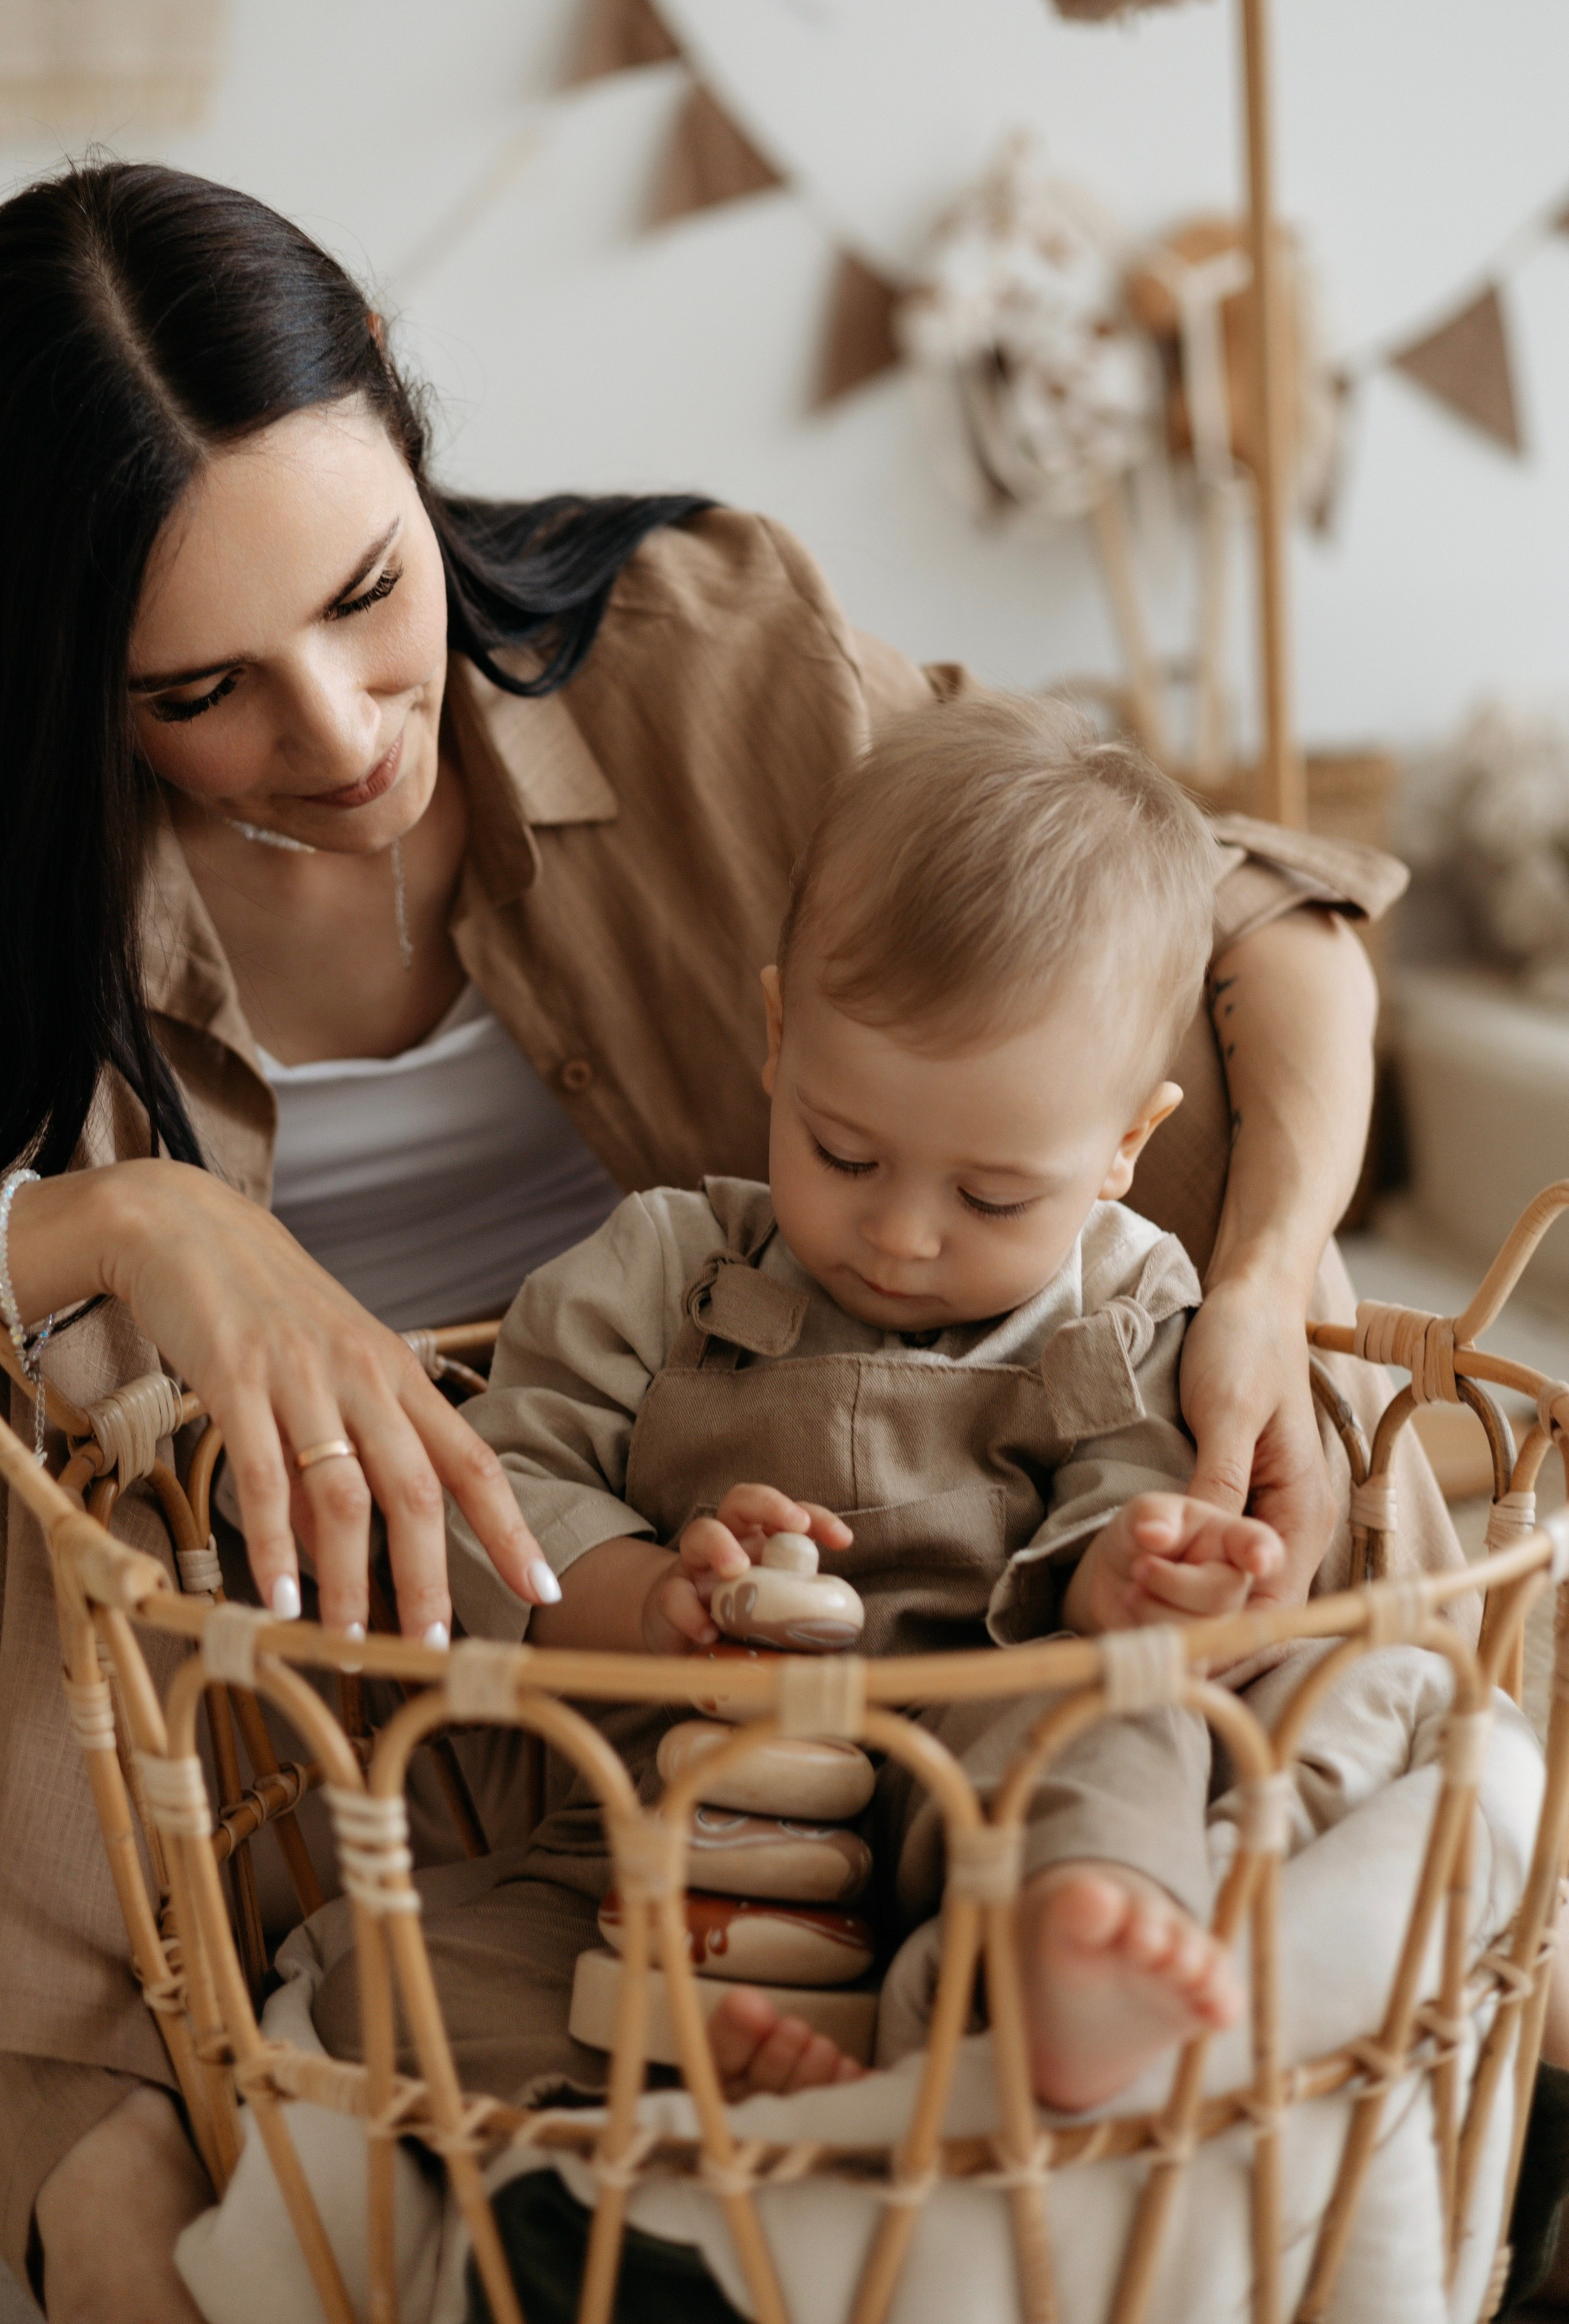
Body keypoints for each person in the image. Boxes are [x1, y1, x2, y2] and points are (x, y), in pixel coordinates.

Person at [0, 162, 1429, 2321]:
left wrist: (1273, 1273)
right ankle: (118, 2192)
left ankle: (1298, 1899)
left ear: (401, 412)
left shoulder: (693, 646)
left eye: (368, 593)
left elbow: (1260, 920)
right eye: (200, 691)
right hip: (313, 1694)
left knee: (1075, 1045)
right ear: (56, 670)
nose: (341, 733)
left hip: (908, 1554)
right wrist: (119, 1221)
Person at [408, 695, 1276, 2112]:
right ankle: (758, 2093)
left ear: (1124, 1145)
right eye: (843, 1153)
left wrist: (1128, 1572)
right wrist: (652, 1598)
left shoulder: (1120, 1303)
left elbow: (1133, 1487)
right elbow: (496, 1491)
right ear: (777, 1036)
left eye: (992, 1196)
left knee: (1122, 1737)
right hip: (675, 1822)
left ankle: (1067, 1953)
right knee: (414, 1987)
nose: (902, 1236)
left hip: (982, 1783)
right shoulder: (661, 1271)